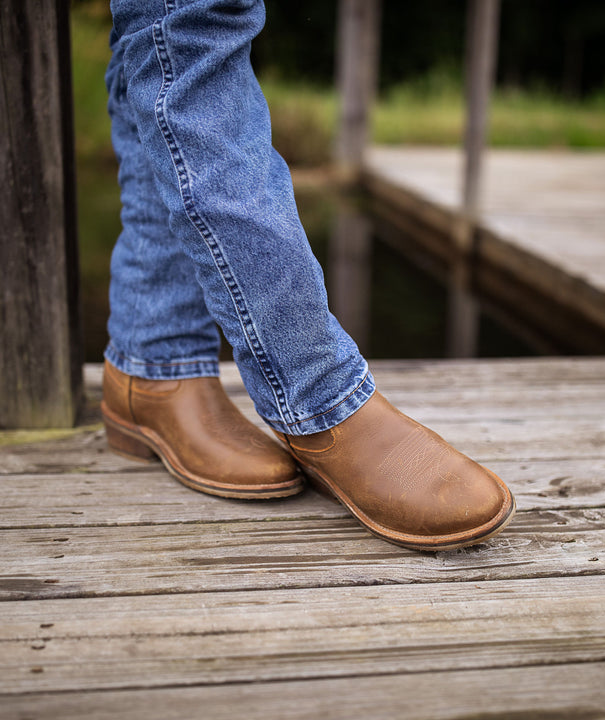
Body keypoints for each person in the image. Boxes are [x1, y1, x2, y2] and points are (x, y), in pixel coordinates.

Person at [101, 0, 514, 551]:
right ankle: (318, 392)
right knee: (188, 24)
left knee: (153, 29)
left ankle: (153, 364)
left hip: (152, 359)